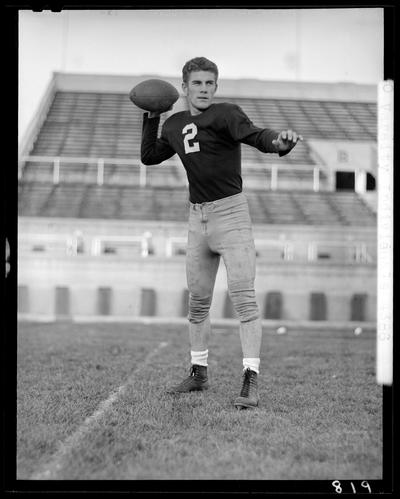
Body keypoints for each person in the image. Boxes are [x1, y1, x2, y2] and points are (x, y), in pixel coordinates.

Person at [140, 57, 302, 409]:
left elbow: (256, 135)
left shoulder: (226, 113)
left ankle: (250, 379)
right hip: (197, 218)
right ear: (183, 87)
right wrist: (152, 115)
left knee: (244, 300)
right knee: (197, 303)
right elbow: (150, 156)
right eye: (196, 84)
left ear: (216, 87)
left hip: (231, 215)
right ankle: (199, 372)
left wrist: (279, 142)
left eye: (209, 84)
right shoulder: (175, 123)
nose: (203, 90)